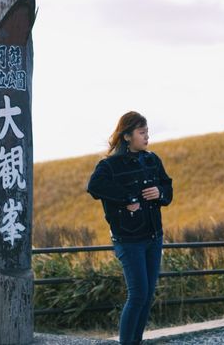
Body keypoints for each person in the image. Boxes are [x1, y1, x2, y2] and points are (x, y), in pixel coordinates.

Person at [87, 112, 173, 345]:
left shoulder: (152, 159)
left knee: (146, 296)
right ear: (127, 136)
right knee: (137, 295)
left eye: (147, 132)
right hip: (128, 239)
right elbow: (94, 186)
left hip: (154, 236)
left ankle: (136, 341)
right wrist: (127, 197)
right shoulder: (109, 165)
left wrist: (161, 193)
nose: (147, 137)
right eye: (142, 132)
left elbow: (167, 185)